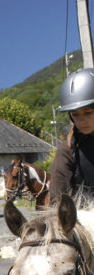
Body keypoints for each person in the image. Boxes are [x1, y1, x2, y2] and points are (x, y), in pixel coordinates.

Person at [50, 67, 94, 206]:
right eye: (75, 114)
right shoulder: (67, 150)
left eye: (87, 112)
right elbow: (57, 199)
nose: (81, 121)